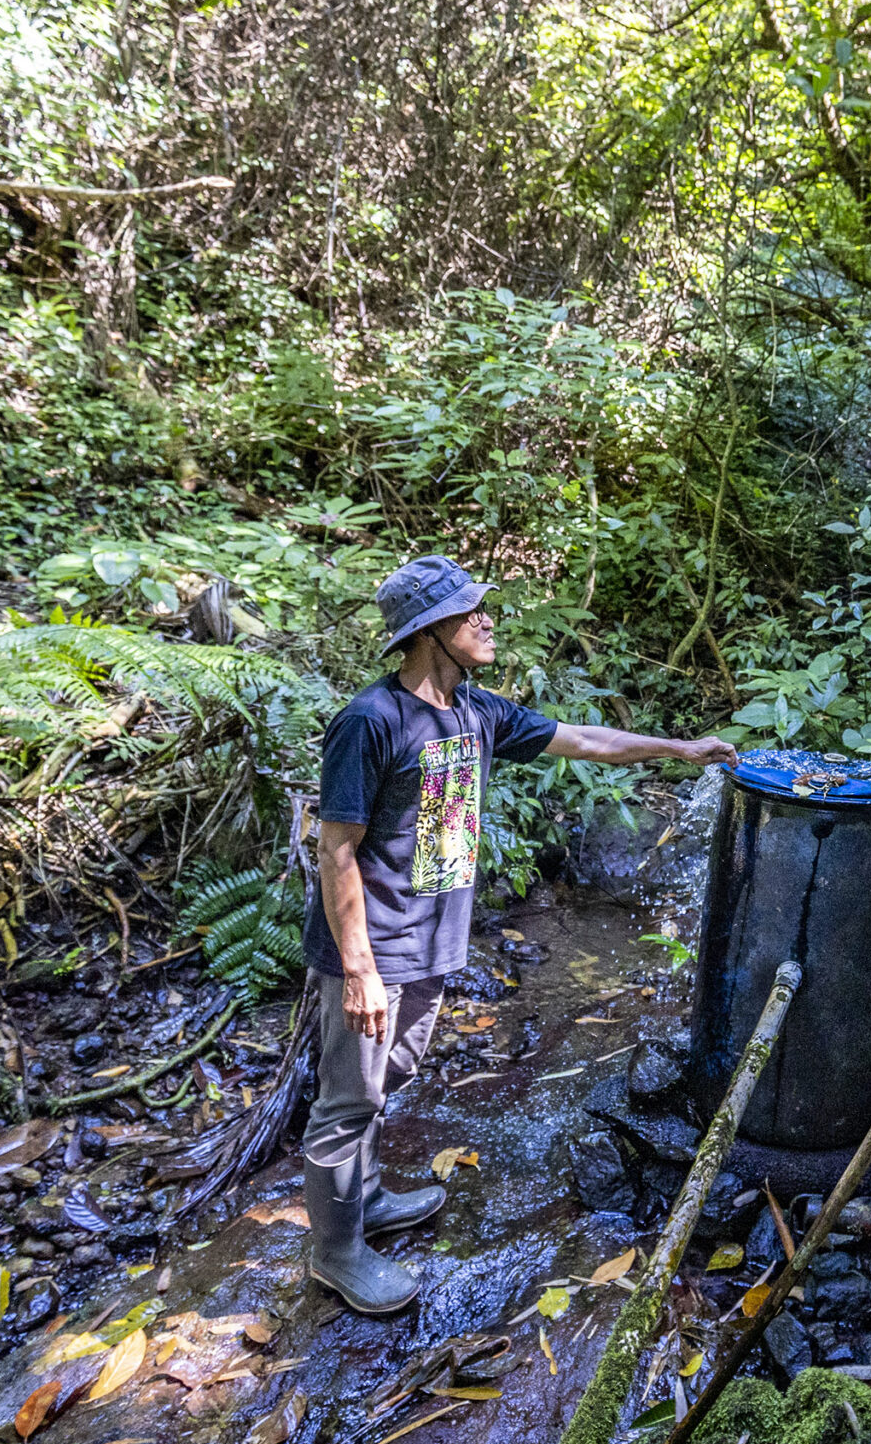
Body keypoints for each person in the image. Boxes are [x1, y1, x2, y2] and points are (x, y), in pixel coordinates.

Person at [298, 555, 737, 1313]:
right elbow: (336, 847)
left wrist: (679, 749)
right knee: (347, 1100)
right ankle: (333, 1253)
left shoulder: (477, 711)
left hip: (431, 941)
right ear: (428, 631)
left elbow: (584, 741)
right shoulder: (371, 721)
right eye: (471, 612)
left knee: (388, 1078)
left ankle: (363, 1196)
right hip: (371, 947)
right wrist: (360, 967)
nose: (487, 620)